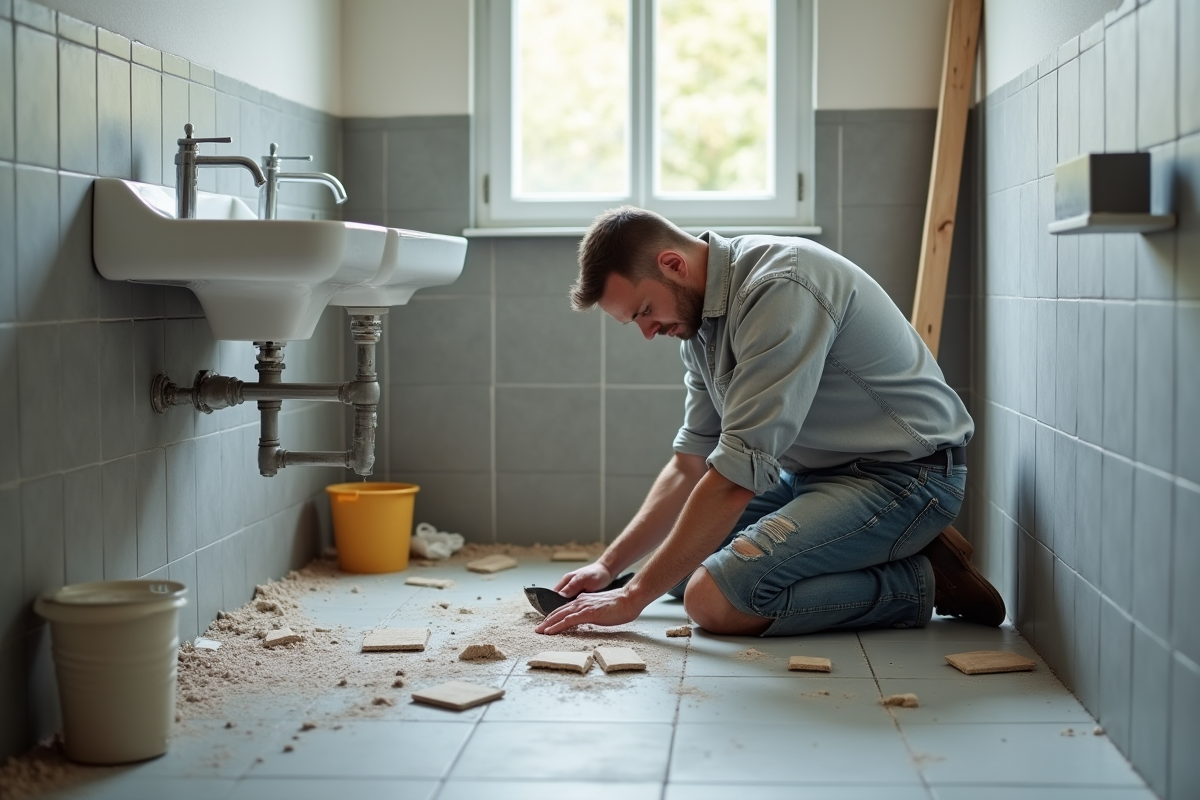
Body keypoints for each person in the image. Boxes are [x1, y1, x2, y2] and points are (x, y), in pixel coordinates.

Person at [535, 206, 1005, 637]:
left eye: (644, 311)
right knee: (676, 575)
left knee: (710, 600)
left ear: (673, 264)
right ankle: (870, 550)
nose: (647, 332)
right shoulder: (698, 329)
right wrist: (608, 567)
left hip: (905, 480)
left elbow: (735, 479)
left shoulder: (780, 287)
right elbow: (689, 465)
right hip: (815, 478)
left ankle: (919, 581)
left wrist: (633, 599)